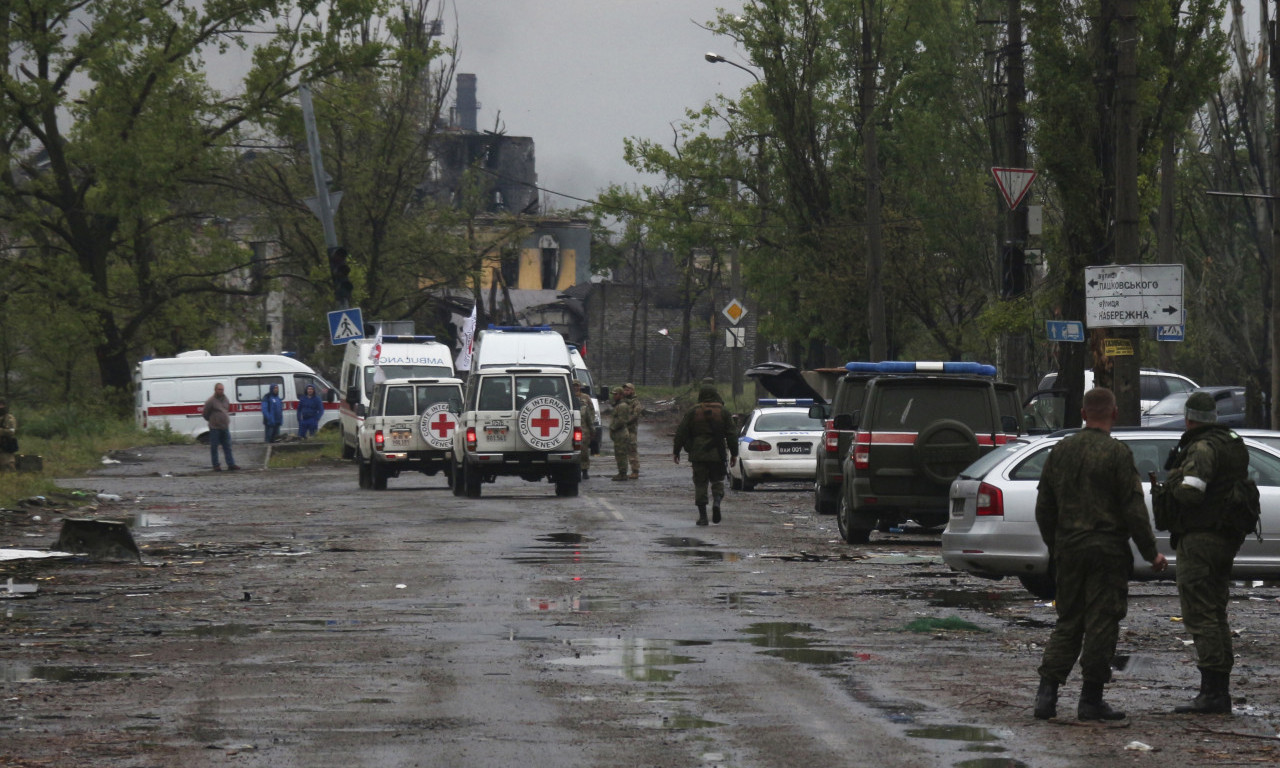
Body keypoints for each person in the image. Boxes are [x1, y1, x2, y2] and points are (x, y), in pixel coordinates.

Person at [1033, 387, 1167, 722]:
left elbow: (1044, 507)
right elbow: (1134, 510)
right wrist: (1152, 553)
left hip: (1070, 549)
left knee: (1069, 620)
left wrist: (1056, 544)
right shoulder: (1117, 454)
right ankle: (1091, 699)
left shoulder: (1060, 451)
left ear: (1082, 414)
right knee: (1101, 623)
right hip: (1107, 552)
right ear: (1114, 414)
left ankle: (1046, 695)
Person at [1155, 390, 1250, 715]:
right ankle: (1217, 688)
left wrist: (1169, 491)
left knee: (1199, 612)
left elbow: (1192, 492)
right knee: (1215, 610)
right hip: (1224, 536)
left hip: (1201, 537)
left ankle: (1212, 693)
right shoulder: (1231, 442)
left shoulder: (1202, 447)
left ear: (1189, 417)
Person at [673, 384, 739, 525]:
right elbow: (732, 434)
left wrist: (676, 451)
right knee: (717, 481)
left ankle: (703, 517)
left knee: (700, 483)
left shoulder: (693, 412)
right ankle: (716, 501)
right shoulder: (724, 412)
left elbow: (681, 432)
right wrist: (734, 454)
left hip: (698, 453)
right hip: (717, 453)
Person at [201, 383, 240, 471]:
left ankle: (231, 464)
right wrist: (213, 420)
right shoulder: (211, 401)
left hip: (225, 427)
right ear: (215, 390)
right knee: (214, 447)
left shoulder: (226, 399)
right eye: (219, 389)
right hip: (215, 427)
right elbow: (205, 414)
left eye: (222, 389)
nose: (221, 391)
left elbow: (226, 410)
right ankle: (216, 465)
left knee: (228, 446)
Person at [608, 386, 632, 481]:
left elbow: (622, 420)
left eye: (616, 394)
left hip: (621, 433)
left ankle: (623, 473)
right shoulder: (618, 405)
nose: (614, 396)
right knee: (618, 454)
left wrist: (613, 427)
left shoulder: (622, 406)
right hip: (618, 434)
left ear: (621, 395)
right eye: (613, 394)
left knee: (621, 454)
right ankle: (621, 472)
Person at [573, 381, 595, 479]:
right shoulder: (566, 396)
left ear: (580, 387)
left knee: (584, 451)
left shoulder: (586, 398)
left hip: (583, 428)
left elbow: (591, 411)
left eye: (577, 385)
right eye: (573, 385)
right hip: (571, 427)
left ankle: (584, 470)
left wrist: (592, 427)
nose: (575, 388)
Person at [622, 382, 641, 478]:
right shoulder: (623, 401)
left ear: (632, 391)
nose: (626, 391)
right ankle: (623, 471)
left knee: (632, 450)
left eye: (628, 390)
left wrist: (625, 421)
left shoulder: (635, 402)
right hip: (622, 430)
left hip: (631, 430)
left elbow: (635, 415)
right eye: (625, 390)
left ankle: (635, 470)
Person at [0, 397, 17, 472]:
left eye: (1, 405)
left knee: (8, 468)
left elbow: (12, 431)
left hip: (5, 447)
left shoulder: (9, 418)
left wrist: (1, 431)